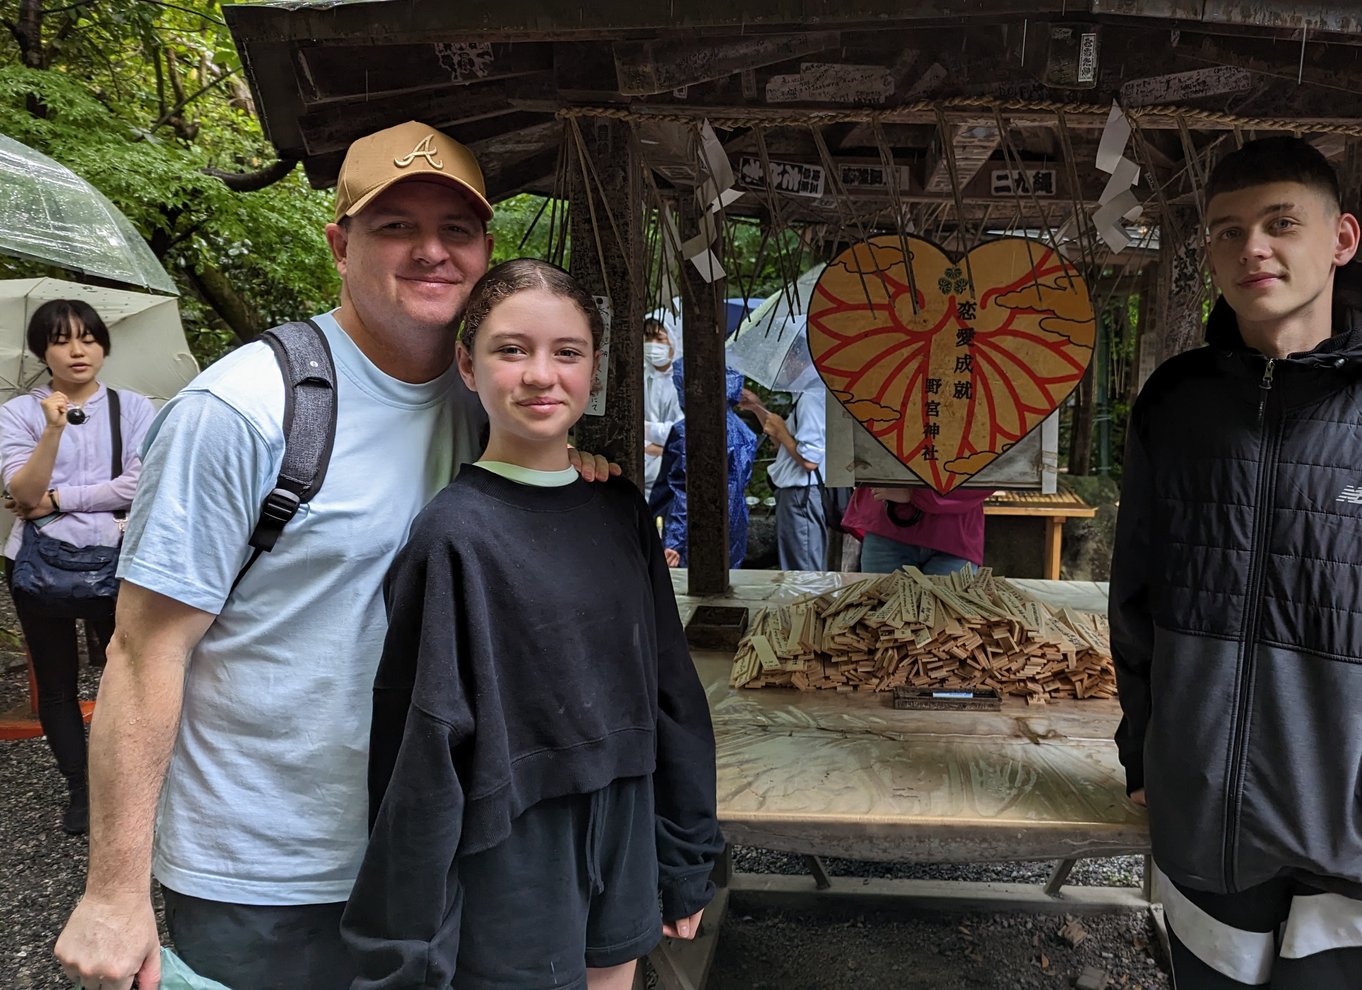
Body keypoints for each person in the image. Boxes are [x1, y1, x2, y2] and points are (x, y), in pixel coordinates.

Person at [55, 121, 613, 990]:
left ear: (485, 252)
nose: (431, 251)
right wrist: (112, 890)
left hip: (443, 850)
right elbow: (142, 651)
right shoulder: (244, 409)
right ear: (339, 244)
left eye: (454, 230)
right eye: (396, 226)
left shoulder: (494, 406)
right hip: (271, 873)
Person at [341, 259, 722, 989]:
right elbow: (418, 752)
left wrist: (684, 854)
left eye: (566, 352)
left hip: (624, 820)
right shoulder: (452, 537)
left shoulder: (620, 511)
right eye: (511, 350)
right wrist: (403, 952)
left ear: (594, 368)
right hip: (510, 848)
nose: (541, 375)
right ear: (467, 364)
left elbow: (672, 689)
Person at [1110, 136, 1362, 989]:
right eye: (1227, 231)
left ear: (1342, 239)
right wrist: (1145, 750)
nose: (1252, 247)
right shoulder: (1176, 405)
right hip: (1208, 814)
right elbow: (1136, 594)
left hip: (1349, 832)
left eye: (1281, 223)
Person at [0, 300, 155, 835]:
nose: (77, 350)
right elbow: (21, 491)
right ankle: (81, 790)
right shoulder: (20, 413)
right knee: (58, 681)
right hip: (37, 561)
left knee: (127, 675)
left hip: (117, 558)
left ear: (103, 346)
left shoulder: (134, 409)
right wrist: (52, 431)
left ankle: (129, 782)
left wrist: (60, 497)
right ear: (43, 350)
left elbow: (140, 485)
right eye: (62, 340)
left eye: (88, 338)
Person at [661, 361, 757, 568]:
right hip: (734, 525)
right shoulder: (744, 431)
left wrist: (673, 542)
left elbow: (685, 491)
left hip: (694, 532)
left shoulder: (689, 431)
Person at [739, 383, 829, 571]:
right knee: (795, 565)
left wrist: (781, 429)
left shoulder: (810, 399)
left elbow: (810, 461)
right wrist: (757, 407)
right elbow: (784, 445)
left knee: (803, 570)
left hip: (801, 493)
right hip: (794, 494)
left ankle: (808, 601)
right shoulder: (803, 398)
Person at [839, 485, 989, 574]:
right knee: (880, 619)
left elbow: (994, 468)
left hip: (953, 536)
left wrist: (915, 494)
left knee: (948, 622)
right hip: (887, 525)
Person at [642, 317, 681, 503]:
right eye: (648, 337)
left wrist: (645, 430)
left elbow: (679, 431)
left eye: (659, 338)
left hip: (673, 472)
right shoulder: (642, 377)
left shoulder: (683, 383)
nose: (652, 344)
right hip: (644, 469)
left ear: (674, 339)